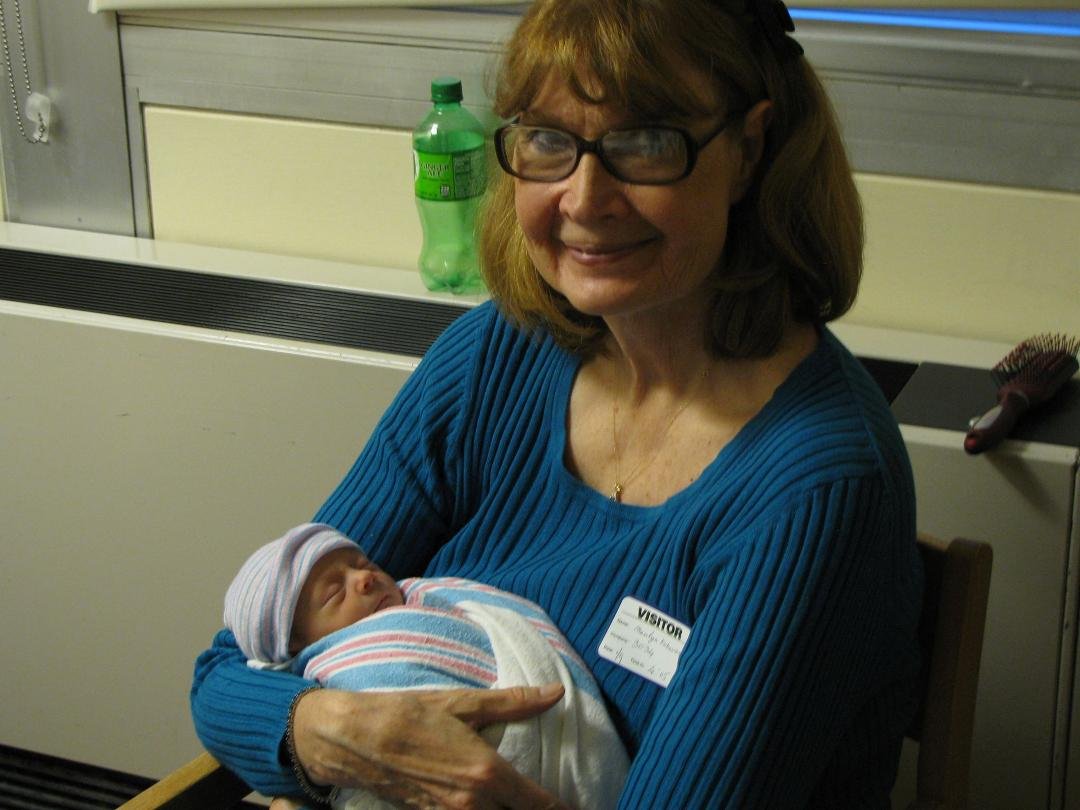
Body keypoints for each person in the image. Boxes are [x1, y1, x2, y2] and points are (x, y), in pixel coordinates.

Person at [191, 0, 923, 807]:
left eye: (645, 143)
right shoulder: (492, 358)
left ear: (749, 150)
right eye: (547, 140)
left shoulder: (817, 487)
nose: (583, 199)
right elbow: (233, 667)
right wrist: (333, 734)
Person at [222, 522, 628, 810]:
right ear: (294, 646)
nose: (363, 579)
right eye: (334, 593)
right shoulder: (334, 667)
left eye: (363, 564)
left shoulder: (428, 598)